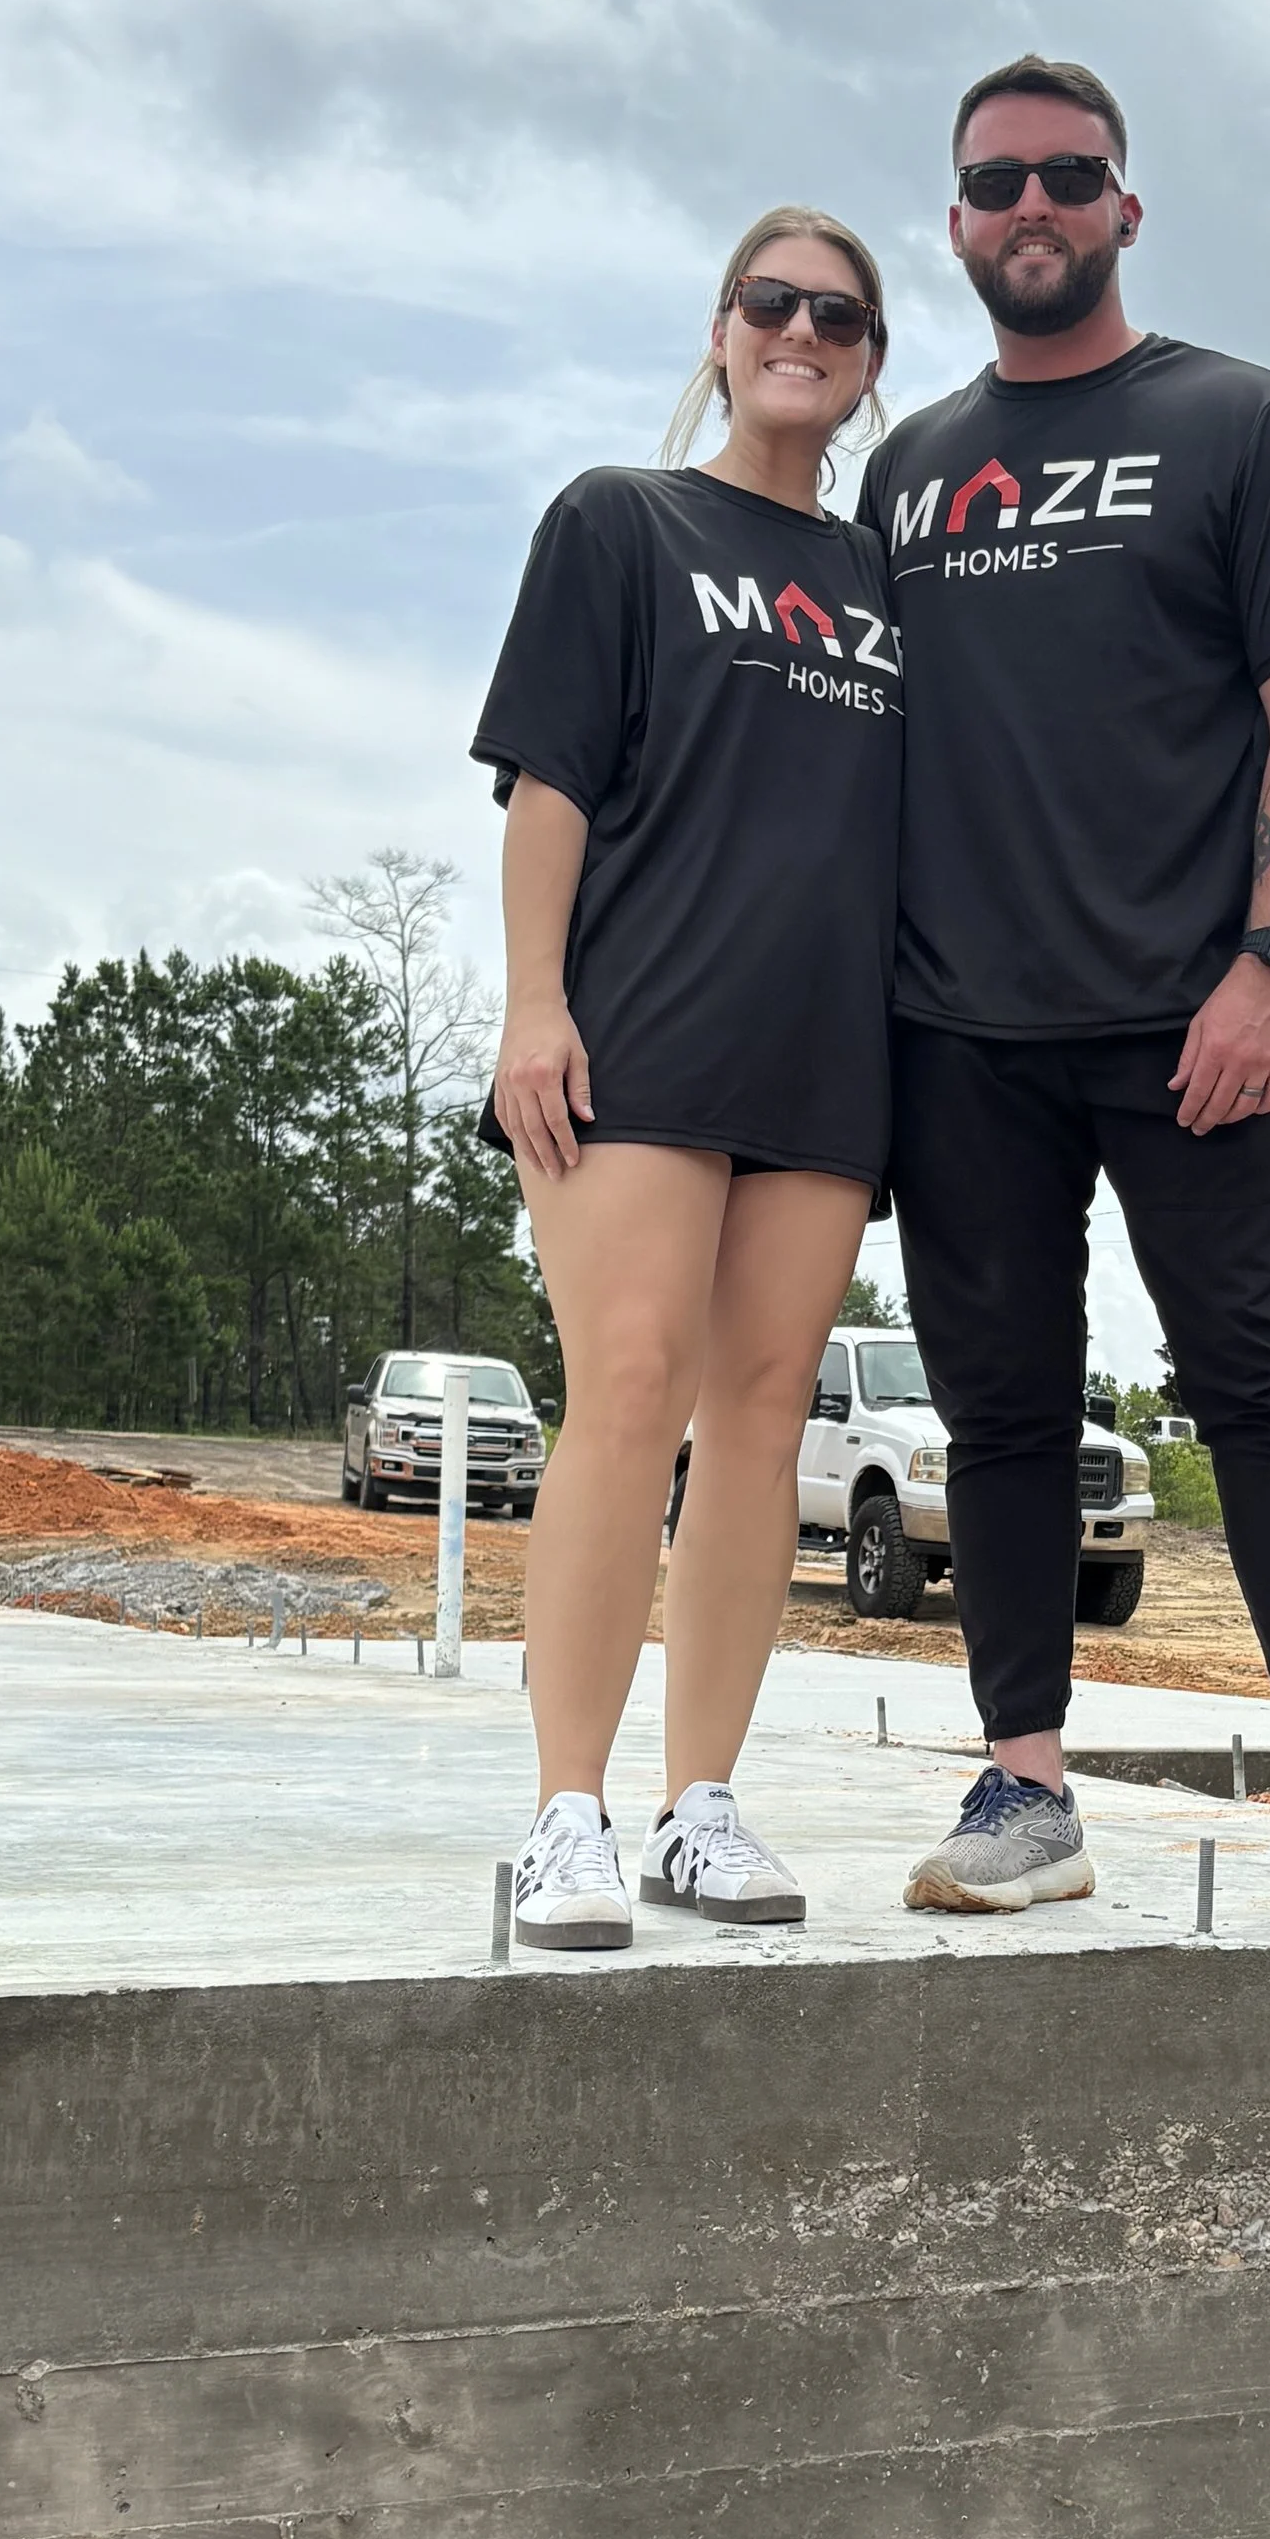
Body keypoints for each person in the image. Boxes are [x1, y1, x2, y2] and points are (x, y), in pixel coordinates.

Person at [859, 55, 1270, 1938]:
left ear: (1125, 205)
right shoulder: (910, 470)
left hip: (1199, 1021)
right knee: (998, 1417)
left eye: (1068, 177)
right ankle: (1027, 1788)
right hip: (959, 1035)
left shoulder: (1249, 425)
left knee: (1264, 1393)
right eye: (996, 183)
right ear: (956, 224)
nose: (1033, 208)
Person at [476, 208, 899, 1948]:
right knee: (631, 1383)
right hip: (636, 1031)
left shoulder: (888, 587)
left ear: (872, 368)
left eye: (840, 314)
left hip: (823, 1053)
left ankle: (699, 1805)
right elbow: (550, 785)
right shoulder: (619, 521)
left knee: (765, 1411)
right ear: (721, 330)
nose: (801, 328)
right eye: (770, 301)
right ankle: (565, 1815)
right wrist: (530, 1003)